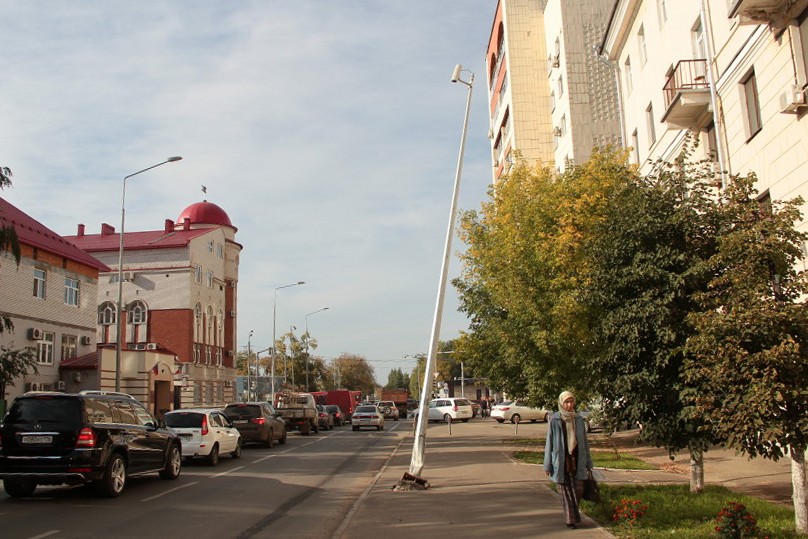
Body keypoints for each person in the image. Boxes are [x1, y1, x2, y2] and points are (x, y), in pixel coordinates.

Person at [543, 390, 593, 529]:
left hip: (577, 459)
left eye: (571, 402)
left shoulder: (578, 419)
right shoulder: (555, 420)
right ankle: (570, 520)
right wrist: (548, 465)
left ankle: (573, 516)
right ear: (561, 403)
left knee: (578, 491)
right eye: (566, 402)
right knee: (565, 493)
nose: (569, 405)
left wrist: (589, 462)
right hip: (561, 461)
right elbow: (549, 443)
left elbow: (584, 442)